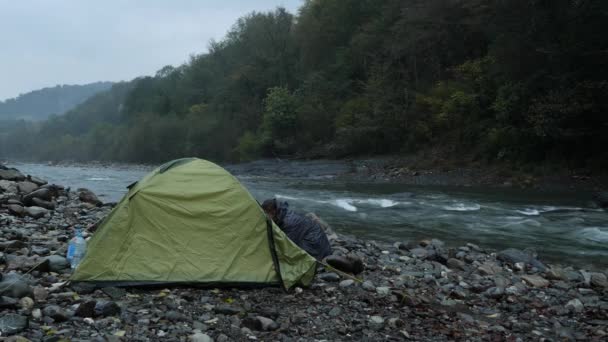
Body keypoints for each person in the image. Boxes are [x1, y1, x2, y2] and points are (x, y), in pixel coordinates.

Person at [262, 198, 332, 261]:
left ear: (273, 212)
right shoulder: (283, 214)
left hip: (319, 251)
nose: (264, 217)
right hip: (319, 245)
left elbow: (288, 245)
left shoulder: (289, 222)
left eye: (265, 214)